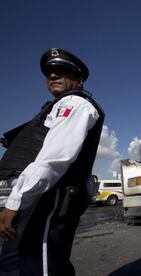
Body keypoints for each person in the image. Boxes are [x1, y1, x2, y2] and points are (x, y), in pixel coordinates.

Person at [0, 48, 104, 275]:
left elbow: (54, 158)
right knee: (17, 264)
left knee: (43, 266)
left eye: (62, 71)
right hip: (39, 195)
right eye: (49, 73)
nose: (53, 76)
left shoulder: (75, 104)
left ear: (79, 80)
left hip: (52, 196)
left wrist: (14, 202)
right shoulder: (57, 106)